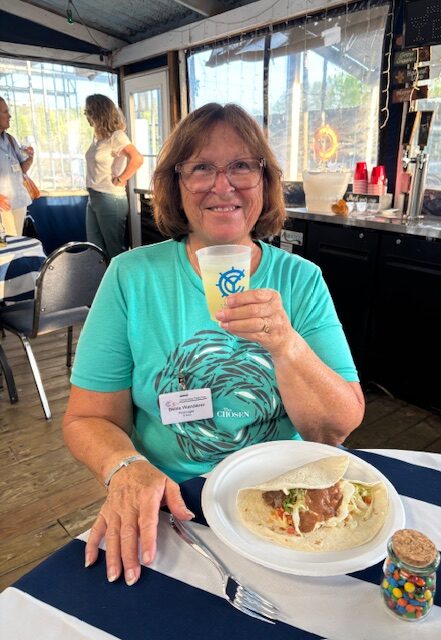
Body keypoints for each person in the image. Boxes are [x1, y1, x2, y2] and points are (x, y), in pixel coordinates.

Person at [63, 102, 365, 587]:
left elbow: (337, 427)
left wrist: (286, 345)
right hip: (171, 500)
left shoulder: (302, 280)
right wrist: (126, 467)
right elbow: (87, 418)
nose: (223, 186)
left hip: (283, 494)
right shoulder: (130, 278)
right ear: (175, 184)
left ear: (264, 181)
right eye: (201, 167)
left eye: (242, 165)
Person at [84, 94, 143, 260]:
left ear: (98, 112)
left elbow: (137, 159)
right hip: (94, 196)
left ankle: (120, 277)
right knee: (95, 248)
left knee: (114, 249)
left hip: (110, 198)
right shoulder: (98, 138)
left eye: (88, 111)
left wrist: (122, 179)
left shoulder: (117, 136)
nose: (85, 114)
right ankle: (102, 276)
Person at [0, 96, 35, 236]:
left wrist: (30, 158)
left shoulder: (10, 139)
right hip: (2, 205)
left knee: (16, 242)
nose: (10, 116)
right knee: (4, 245)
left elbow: (22, 170)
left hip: (18, 201)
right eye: (5, 112)